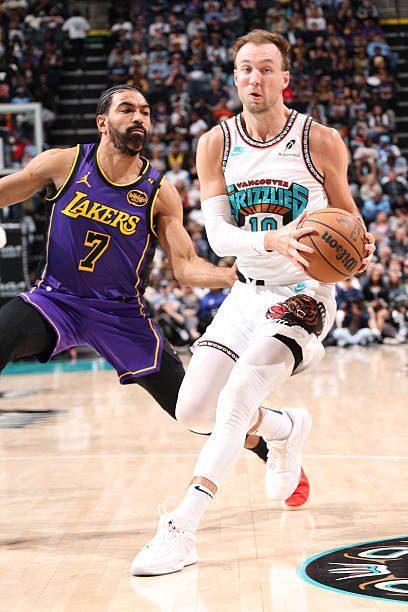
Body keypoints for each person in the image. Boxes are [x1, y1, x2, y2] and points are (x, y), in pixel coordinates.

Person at [131, 30, 375, 576]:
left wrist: (360, 247)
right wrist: (270, 240)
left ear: (285, 78)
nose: (254, 78)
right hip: (245, 294)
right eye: (245, 68)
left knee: (239, 394)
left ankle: (181, 528)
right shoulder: (215, 143)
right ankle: (285, 428)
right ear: (234, 76)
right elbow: (218, 236)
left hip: (303, 295)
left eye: (266, 68)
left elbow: (349, 220)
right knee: (194, 409)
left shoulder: (320, 140)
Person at [0, 85, 284, 473]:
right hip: (56, 301)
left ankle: (268, 445)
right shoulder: (64, 163)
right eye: (127, 109)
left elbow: (185, 266)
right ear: (102, 122)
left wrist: (231, 275)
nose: (139, 117)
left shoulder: (159, 192)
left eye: (145, 112)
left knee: (191, 408)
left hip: (120, 315)